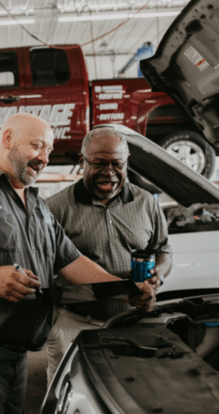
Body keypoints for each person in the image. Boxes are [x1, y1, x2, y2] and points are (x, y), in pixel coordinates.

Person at [0, 113, 155, 413]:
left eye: (49, 151)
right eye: (37, 146)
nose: (44, 158)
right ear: (8, 138)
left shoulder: (37, 207)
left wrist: (126, 290)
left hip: (16, 357)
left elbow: (72, 262)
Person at [44, 126, 172, 385]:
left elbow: (164, 249)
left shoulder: (146, 202)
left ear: (127, 163)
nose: (110, 172)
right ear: (82, 162)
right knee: (69, 395)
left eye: (118, 164)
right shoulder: (55, 208)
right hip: (74, 324)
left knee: (128, 396)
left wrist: (159, 273)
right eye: (99, 163)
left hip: (131, 322)